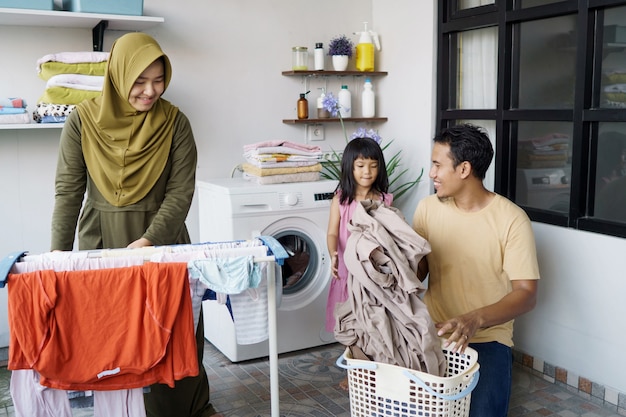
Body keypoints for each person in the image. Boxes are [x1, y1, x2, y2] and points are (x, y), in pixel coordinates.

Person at [50, 32, 222, 417]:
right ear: (118, 76)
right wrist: (58, 254)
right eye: (139, 82)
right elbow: (68, 191)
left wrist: (149, 240)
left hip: (162, 240)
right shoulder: (81, 122)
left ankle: (188, 409)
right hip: (101, 240)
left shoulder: (176, 124)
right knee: (112, 335)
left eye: (158, 80)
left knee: (173, 333)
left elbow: (180, 194)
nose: (150, 91)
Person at [412, 123, 539, 417]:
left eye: (437, 165)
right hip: (433, 332)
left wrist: (474, 320)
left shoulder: (512, 220)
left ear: (464, 169)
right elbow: (418, 271)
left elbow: (527, 294)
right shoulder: (427, 208)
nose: (432, 173)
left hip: (488, 338)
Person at [326, 137, 392, 389]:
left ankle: (372, 369)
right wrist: (333, 253)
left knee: (371, 319)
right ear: (349, 167)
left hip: (372, 272)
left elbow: (389, 236)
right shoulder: (341, 199)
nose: (367, 172)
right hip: (346, 270)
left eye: (373, 166)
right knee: (349, 321)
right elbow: (332, 232)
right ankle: (356, 370)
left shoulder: (384, 200)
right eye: (361, 165)